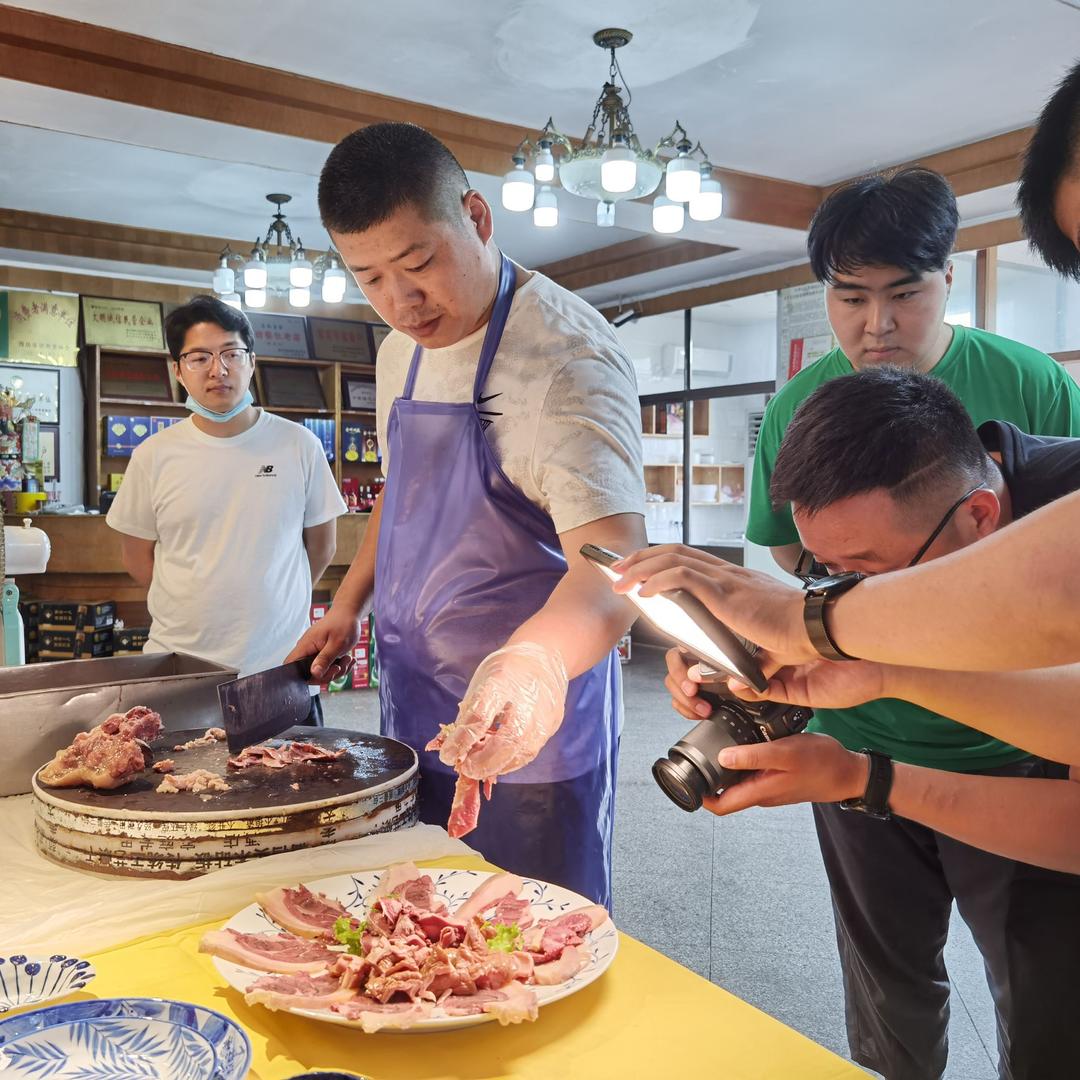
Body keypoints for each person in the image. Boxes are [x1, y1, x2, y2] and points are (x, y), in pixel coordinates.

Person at [624, 368, 1080, 1080]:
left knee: (1048, 1009)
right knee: (886, 993)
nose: (846, 598)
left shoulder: (1064, 512)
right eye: (825, 571)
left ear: (983, 517)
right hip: (866, 764)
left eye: (867, 573)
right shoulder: (900, 537)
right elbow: (861, 646)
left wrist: (839, 654)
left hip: (1018, 775)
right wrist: (746, 660)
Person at [285, 122, 646, 908]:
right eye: (370, 278)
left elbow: (614, 568)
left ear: (478, 218)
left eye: (419, 264)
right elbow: (401, 490)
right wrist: (348, 606)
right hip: (412, 705)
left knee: (528, 937)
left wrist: (536, 666)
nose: (401, 301)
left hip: (528, 728)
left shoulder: (567, 358)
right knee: (420, 933)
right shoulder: (396, 351)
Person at [748, 166, 1080, 575]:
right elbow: (784, 541)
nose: (877, 324)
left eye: (904, 294)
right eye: (852, 300)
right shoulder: (793, 407)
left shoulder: (1032, 380)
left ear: (948, 279)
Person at [107, 296, 346, 723]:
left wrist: (269, 593)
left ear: (251, 362)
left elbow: (323, 546)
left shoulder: (299, 446)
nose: (218, 370)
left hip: (279, 667)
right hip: (181, 668)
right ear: (177, 370)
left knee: (296, 783)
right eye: (199, 358)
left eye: (231, 354)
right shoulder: (153, 456)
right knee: (180, 786)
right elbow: (135, 557)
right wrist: (199, 594)